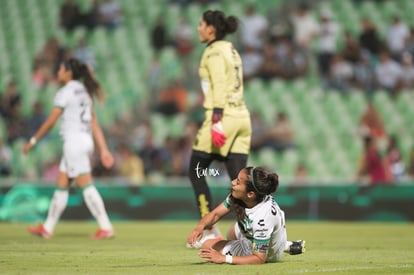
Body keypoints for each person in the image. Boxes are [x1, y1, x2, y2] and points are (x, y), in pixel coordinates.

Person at [23, 58, 115, 239]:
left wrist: (33, 141)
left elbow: (50, 122)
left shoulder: (65, 92)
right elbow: (94, 123)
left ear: (68, 73)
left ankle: (106, 226)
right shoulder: (86, 93)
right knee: (62, 183)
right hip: (84, 140)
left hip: (73, 142)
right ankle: (47, 228)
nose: (58, 72)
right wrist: (103, 149)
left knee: (85, 184)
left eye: (61, 69)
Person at [188, 10, 252, 240]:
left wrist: (216, 121)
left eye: (201, 24)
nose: (198, 28)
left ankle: (208, 231)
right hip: (242, 117)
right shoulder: (232, 50)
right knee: (239, 181)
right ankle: (252, 227)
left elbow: (219, 84)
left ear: (211, 29)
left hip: (223, 117)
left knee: (196, 171)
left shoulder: (214, 52)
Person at [186, 166, 305, 264]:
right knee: (231, 231)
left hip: (269, 254)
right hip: (270, 237)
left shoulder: (262, 219)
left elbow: (259, 259)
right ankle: (286, 245)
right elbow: (216, 214)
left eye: (238, 182)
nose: (232, 182)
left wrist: (223, 258)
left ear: (250, 194)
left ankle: (278, 246)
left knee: (207, 246)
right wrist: (200, 227)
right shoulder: (246, 196)